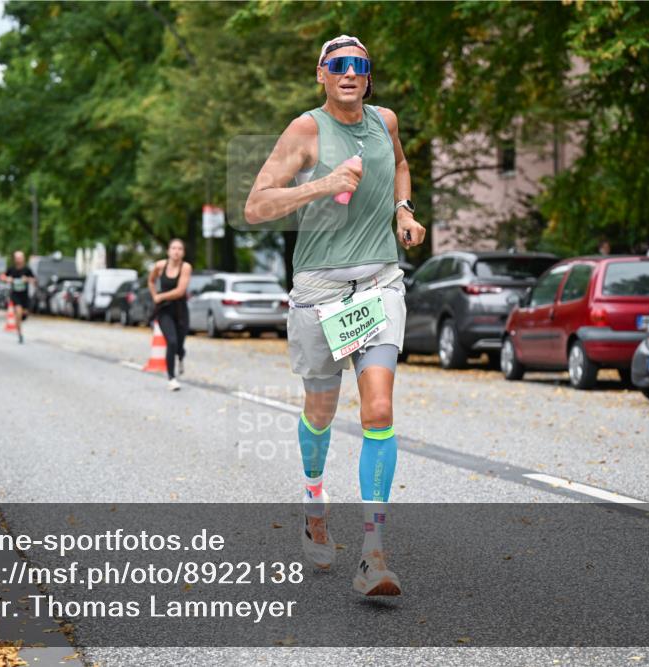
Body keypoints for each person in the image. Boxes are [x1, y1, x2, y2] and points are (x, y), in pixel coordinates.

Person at [244, 35, 425, 596]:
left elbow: (399, 165)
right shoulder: (305, 131)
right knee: (320, 412)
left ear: (368, 77)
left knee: (378, 407)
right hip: (319, 290)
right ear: (321, 75)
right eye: (338, 65)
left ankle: (373, 554)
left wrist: (403, 209)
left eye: (360, 66)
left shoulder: (384, 121)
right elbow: (256, 205)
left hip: (378, 282)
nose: (350, 73)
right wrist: (320, 184)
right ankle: (314, 498)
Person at [147, 239, 193, 391]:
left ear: (183, 253)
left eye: (180, 248)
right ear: (168, 251)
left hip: (180, 311)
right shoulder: (160, 266)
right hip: (165, 311)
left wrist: (161, 296)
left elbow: (180, 291)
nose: (176, 251)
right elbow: (151, 281)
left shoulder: (186, 267)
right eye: (173, 248)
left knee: (179, 345)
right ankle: (171, 378)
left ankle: (181, 355)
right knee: (171, 342)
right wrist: (154, 295)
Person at [1, 251, 35, 344]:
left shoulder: (27, 269)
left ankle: (19, 323)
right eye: (17, 258)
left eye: (20, 258)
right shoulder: (11, 269)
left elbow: (34, 280)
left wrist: (27, 279)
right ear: (15, 259)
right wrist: (8, 279)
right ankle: (20, 334)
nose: (18, 260)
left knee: (24, 315)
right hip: (15, 295)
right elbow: (3, 276)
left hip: (25, 295)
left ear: (23, 258)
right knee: (18, 313)